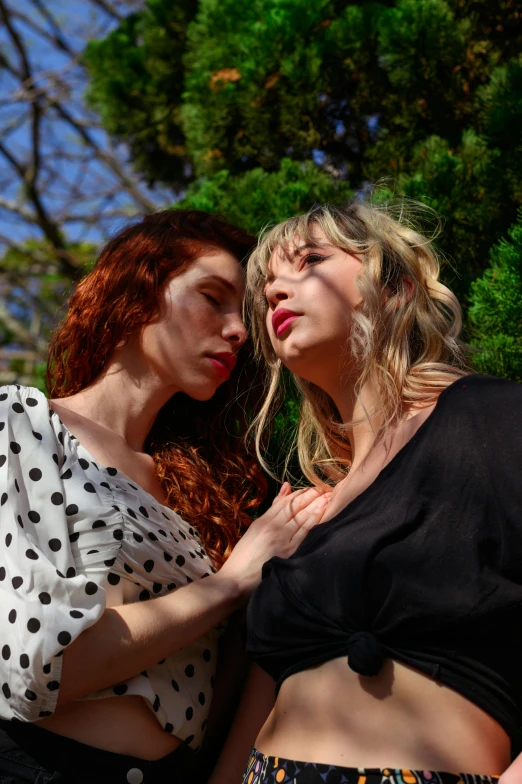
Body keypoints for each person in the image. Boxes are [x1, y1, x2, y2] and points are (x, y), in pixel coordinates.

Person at [0, 209, 329, 784]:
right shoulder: (20, 424)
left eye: (245, 314)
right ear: (139, 288)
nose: (240, 331)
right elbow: (39, 665)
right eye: (213, 296)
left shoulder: (208, 490)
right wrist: (231, 582)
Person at [209, 201, 522, 784]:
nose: (277, 292)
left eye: (311, 261)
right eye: (269, 286)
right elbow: (260, 701)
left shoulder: (494, 418)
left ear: (396, 285)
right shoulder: (312, 507)